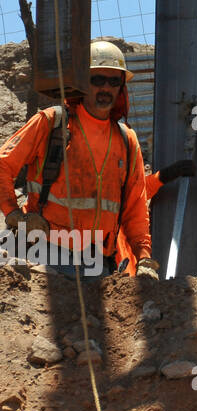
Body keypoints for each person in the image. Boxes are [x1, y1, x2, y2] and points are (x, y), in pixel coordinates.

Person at [0, 41, 156, 279]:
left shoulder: (127, 140)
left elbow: (135, 207)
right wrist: (12, 212)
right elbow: (3, 164)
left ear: (121, 87)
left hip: (97, 265)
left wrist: (143, 257)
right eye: (97, 79)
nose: (106, 87)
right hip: (42, 253)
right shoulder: (52, 122)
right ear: (83, 82)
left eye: (114, 81)